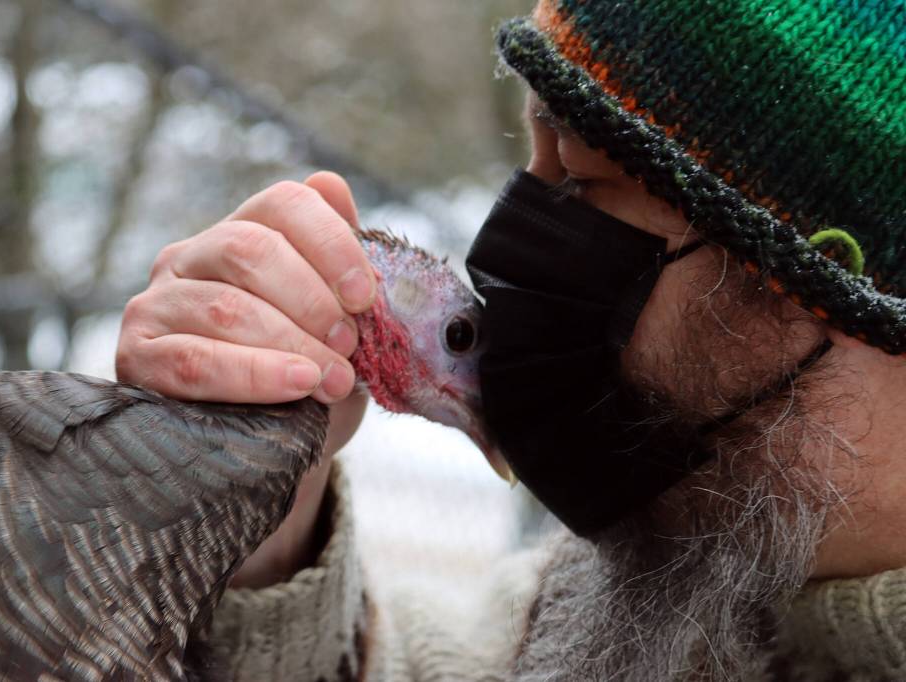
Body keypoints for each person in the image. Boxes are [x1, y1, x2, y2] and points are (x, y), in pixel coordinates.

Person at [115, 1, 906, 679]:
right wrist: (260, 541)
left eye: (583, 186)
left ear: (827, 279)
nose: (512, 249)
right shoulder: (637, 609)